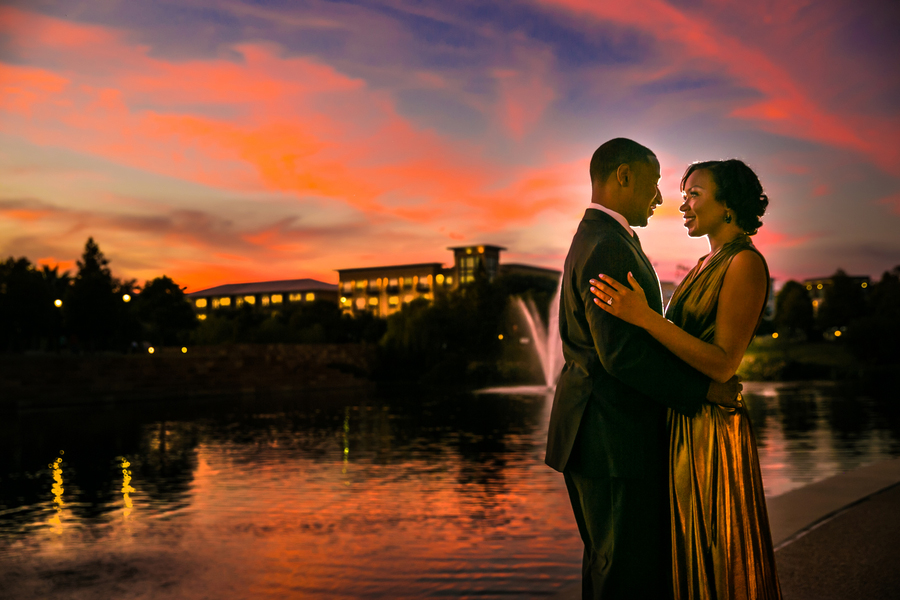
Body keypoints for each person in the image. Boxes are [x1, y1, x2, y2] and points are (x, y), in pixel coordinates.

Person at [545, 138, 743, 600]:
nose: (659, 199)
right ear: (624, 177)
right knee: (624, 572)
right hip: (613, 439)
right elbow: (621, 354)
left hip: (601, 438)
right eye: (654, 185)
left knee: (611, 564)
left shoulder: (603, 238)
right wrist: (703, 391)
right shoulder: (605, 246)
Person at [589, 159, 782, 599]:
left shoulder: (745, 264)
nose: (683, 204)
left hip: (710, 429)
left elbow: (723, 364)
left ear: (728, 205)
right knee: (682, 551)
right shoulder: (701, 263)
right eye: (684, 194)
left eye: (695, 194)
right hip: (683, 419)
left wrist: (644, 318)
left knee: (715, 545)